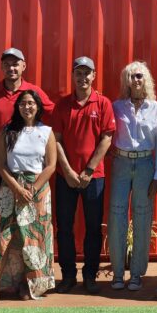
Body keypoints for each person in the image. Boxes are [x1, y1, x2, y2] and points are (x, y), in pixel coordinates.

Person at [0, 90, 58, 305]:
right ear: (17, 107)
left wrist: (32, 190)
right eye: (22, 104)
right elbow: (0, 163)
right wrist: (17, 189)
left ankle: (29, 283)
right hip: (10, 187)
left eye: (31, 103)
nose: (27, 107)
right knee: (1, 237)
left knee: (33, 238)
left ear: (38, 106)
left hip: (37, 190)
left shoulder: (46, 132)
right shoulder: (7, 131)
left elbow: (50, 165)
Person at [0, 48, 55, 251]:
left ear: (23, 66)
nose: (11, 68)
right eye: (7, 64)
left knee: (28, 218)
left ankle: (21, 264)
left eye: (15, 64)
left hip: (24, 170)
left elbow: (54, 114)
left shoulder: (33, 92)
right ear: (1, 67)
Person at [52, 56, 116, 294]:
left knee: (93, 228)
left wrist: (88, 170)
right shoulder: (62, 105)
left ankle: (90, 275)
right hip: (65, 177)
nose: (82, 78)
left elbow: (107, 138)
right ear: (72, 76)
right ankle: (68, 276)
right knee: (64, 228)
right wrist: (68, 171)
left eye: (87, 73)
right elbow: (56, 140)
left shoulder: (103, 103)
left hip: (94, 177)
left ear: (94, 76)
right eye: (78, 73)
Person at [108, 62, 157, 292]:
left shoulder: (156, 108)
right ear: (126, 81)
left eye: (139, 75)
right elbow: (106, 133)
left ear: (146, 79)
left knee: (142, 216)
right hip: (121, 163)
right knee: (117, 215)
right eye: (131, 76)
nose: (136, 80)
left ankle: (136, 274)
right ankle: (117, 273)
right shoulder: (116, 107)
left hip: (145, 164)